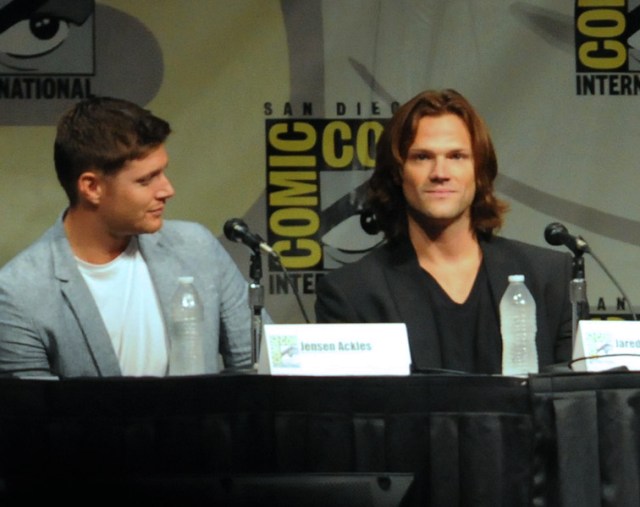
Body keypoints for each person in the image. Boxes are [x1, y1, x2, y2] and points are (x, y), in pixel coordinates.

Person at [315, 89, 573, 374]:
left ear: (479, 171)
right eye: (422, 157)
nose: (440, 173)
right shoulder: (352, 293)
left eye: (457, 156)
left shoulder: (549, 278)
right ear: (398, 173)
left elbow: (574, 397)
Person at [0, 96, 259, 378]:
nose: (167, 190)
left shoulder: (197, 247)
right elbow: (32, 405)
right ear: (92, 187)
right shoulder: (19, 292)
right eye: (145, 180)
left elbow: (259, 367)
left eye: (163, 172)